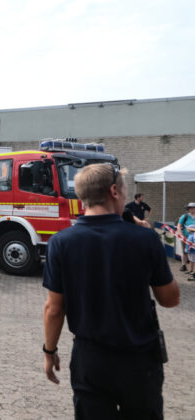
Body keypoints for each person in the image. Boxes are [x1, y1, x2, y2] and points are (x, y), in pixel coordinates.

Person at [42, 163, 180, 420]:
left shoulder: (60, 243)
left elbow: (54, 308)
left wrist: (49, 353)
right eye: (126, 189)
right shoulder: (144, 239)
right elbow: (170, 299)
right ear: (114, 191)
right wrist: (155, 253)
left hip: (90, 359)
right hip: (140, 359)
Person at [176, 203, 195, 272]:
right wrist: (181, 235)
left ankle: (192, 269)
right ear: (188, 209)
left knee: (193, 253)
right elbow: (178, 226)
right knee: (185, 251)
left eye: (193, 207)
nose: (192, 209)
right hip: (186, 237)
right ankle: (184, 265)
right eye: (190, 208)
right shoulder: (184, 216)